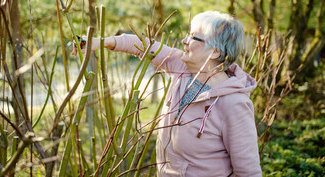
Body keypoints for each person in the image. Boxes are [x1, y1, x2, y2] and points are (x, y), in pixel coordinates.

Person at [73, 11, 262, 176]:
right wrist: (98, 42)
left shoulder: (233, 104)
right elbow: (142, 45)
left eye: (194, 38)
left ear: (214, 52)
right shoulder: (183, 67)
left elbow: (248, 172)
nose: (184, 41)